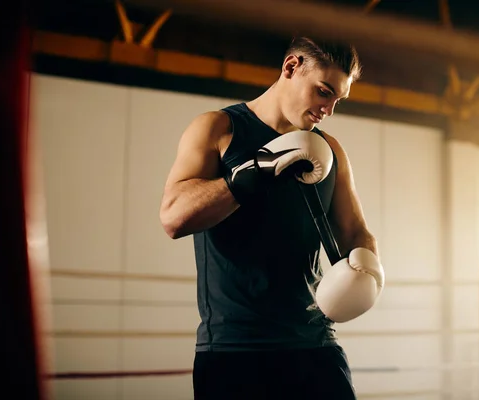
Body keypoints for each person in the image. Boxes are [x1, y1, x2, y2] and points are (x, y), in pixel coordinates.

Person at [160, 37, 384, 400]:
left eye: (337, 100)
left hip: (315, 347)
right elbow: (173, 217)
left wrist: (369, 269)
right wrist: (251, 175)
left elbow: (354, 231)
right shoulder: (219, 129)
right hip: (235, 352)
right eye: (323, 91)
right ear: (291, 67)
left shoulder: (329, 150)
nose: (328, 109)